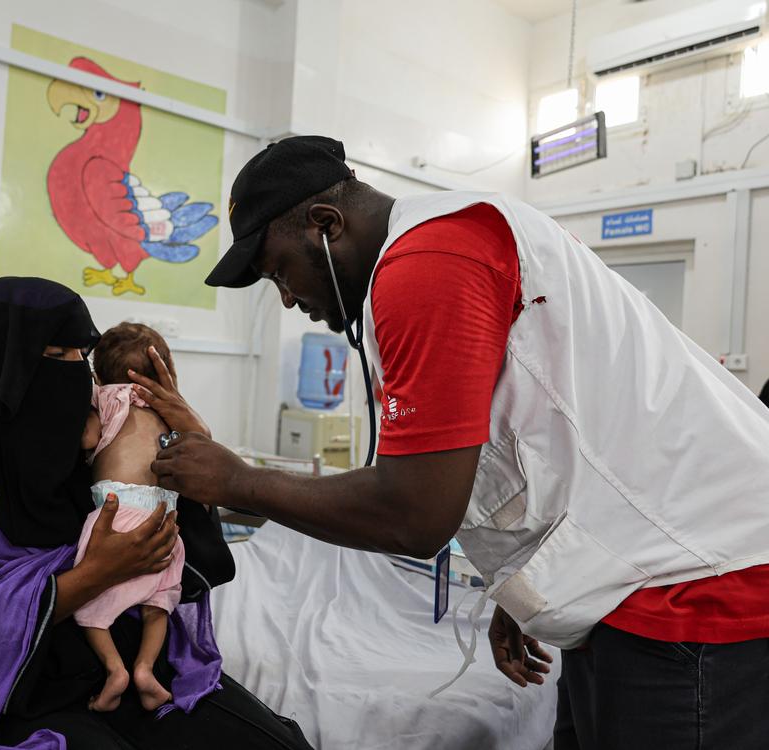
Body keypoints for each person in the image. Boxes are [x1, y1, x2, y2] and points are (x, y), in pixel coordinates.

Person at [139, 136, 769, 749]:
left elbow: (414, 517)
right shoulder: (451, 244)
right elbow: (544, 443)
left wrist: (237, 480)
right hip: (625, 579)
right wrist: (523, 584)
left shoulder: (427, 265)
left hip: (695, 584)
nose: (287, 298)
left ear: (326, 225)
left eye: (280, 271)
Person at [0, 277, 313, 750]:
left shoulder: (83, 449)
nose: (74, 376)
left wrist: (195, 438)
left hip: (128, 664)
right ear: (1, 367)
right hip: (14, 694)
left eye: (80, 357)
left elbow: (188, 551)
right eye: (54, 356)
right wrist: (94, 575)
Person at [76, 323, 187, 713]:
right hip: (165, 519)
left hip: (118, 512)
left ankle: (115, 672)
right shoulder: (168, 406)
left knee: (87, 603)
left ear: (97, 374)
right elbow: (197, 439)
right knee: (160, 602)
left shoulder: (104, 398)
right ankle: (145, 670)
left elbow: (88, 441)